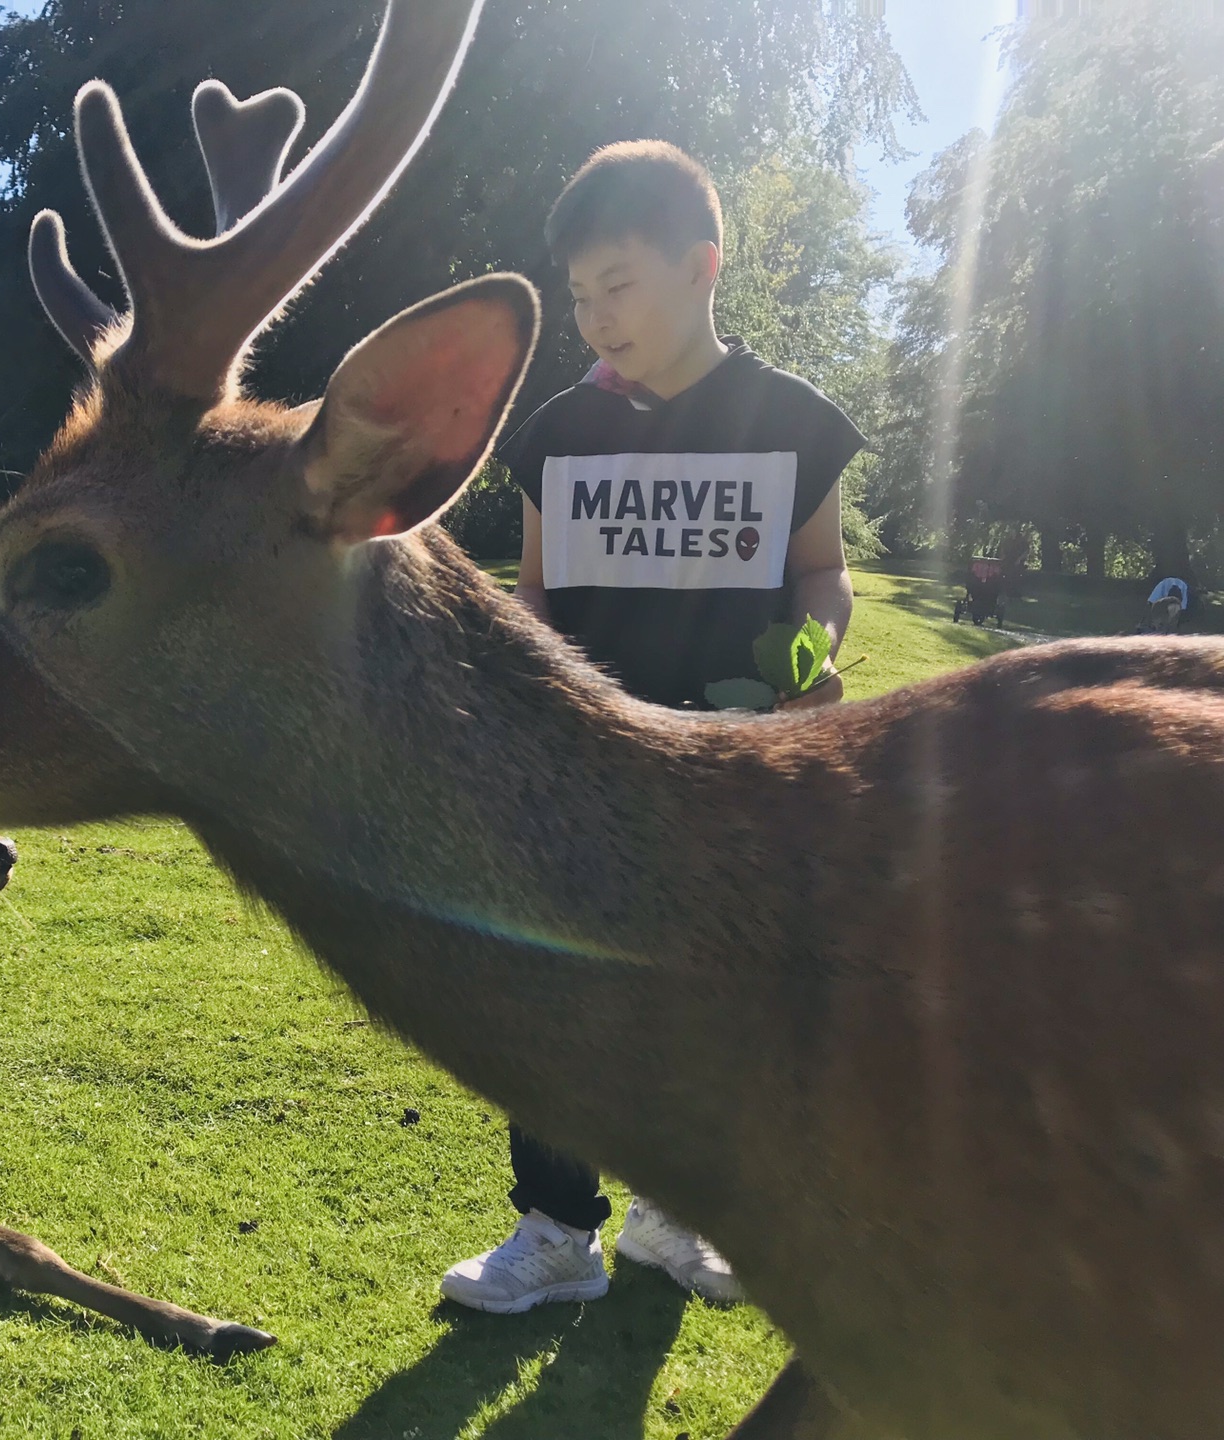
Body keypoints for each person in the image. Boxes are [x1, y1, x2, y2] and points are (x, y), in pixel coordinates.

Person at [439, 140, 866, 1314]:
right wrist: (512, 710)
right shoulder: (559, 434)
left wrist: (816, 650)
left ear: (703, 267)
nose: (594, 318)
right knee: (558, 989)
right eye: (578, 296)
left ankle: (674, 1218)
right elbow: (531, 598)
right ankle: (557, 1230)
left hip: (734, 772)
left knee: (713, 993)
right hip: (580, 769)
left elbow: (824, 575)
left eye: (617, 286)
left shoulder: (795, 425)